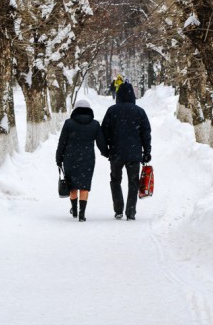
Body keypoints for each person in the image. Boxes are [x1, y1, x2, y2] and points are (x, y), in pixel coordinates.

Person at [101, 82, 151, 220]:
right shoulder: (139, 111)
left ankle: (118, 210)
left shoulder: (112, 111)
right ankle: (131, 212)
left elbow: (103, 132)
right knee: (133, 182)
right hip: (134, 154)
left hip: (116, 153)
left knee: (115, 180)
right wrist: (147, 152)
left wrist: (106, 150)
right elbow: (146, 133)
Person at [56, 100, 108, 222]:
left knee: (72, 184)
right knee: (84, 185)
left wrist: (58, 158)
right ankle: (82, 213)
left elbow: (62, 142)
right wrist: (107, 153)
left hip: (70, 158)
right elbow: (101, 142)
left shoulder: (69, 123)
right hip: (87, 159)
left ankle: (74, 209)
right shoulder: (95, 124)